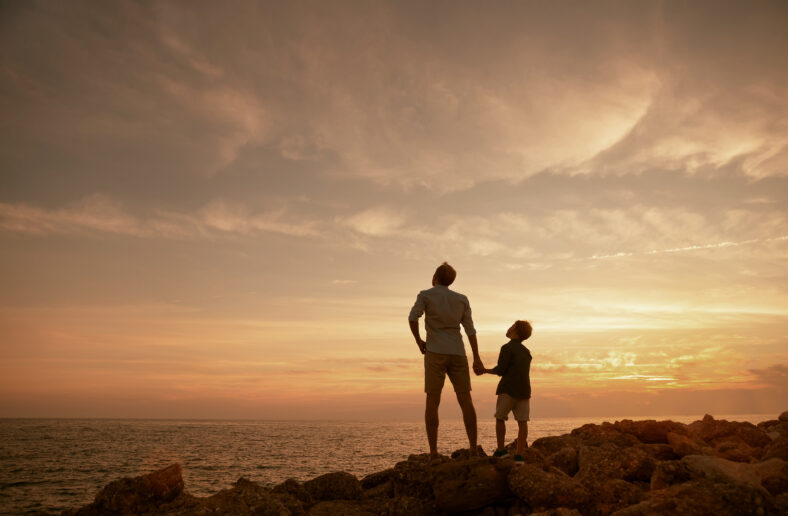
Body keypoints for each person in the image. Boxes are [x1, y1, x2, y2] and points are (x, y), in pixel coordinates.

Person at [408, 262, 484, 459]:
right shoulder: (461, 299)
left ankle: (433, 451)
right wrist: (476, 357)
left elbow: (412, 318)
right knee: (465, 399)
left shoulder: (426, 295)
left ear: (435, 276)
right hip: (458, 352)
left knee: (433, 400)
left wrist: (419, 341)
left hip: (435, 351)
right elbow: (470, 330)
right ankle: (473, 447)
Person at [483, 320, 533, 466]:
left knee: (500, 418)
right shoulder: (527, 352)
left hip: (508, 389)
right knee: (522, 422)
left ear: (515, 330)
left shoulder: (507, 347)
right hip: (524, 390)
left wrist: (484, 370)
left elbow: (501, 370)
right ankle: (519, 456)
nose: (508, 327)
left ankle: (501, 450)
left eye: (511, 326)